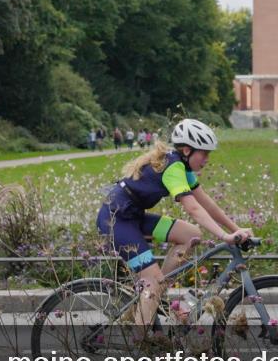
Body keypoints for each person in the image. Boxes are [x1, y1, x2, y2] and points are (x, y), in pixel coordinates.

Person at [97, 119, 252, 330]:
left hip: (133, 216)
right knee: (151, 281)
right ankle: (140, 345)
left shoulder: (181, 165)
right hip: (116, 221)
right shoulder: (174, 168)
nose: (207, 159)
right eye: (204, 153)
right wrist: (224, 237)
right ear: (187, 150)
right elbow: (193, 208)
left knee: (190, 234)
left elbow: (208, 204)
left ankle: (157, 293)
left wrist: (236, 230)